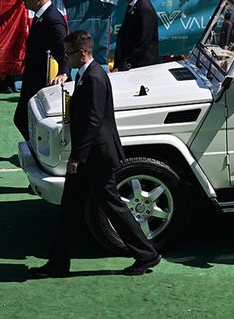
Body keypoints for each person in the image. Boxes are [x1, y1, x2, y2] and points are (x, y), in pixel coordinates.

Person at [27, 31, 161, 278]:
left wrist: (77, 158)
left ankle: (146, 253)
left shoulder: (94, 78)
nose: (66, 59)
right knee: (71, 208)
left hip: (94, 158)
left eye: (68, 54)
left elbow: (93, 121)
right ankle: (58, 262)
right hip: (90, 156)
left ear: (82, 52)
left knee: (112, 207)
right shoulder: (86, 75)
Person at [14, 0, 69, 140]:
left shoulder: (52, 19)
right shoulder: (42, 17)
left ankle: (39, 152)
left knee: (24, 118)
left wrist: (63, 72)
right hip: (33, 78)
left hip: (41, 81)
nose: (23, 0)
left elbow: (62, 49)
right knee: (24, 118)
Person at [114, 0, 159, 71]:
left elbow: (143, 42)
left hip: (140, 68)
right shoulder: (133, 5)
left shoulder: (144, 9)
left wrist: (126, 64)